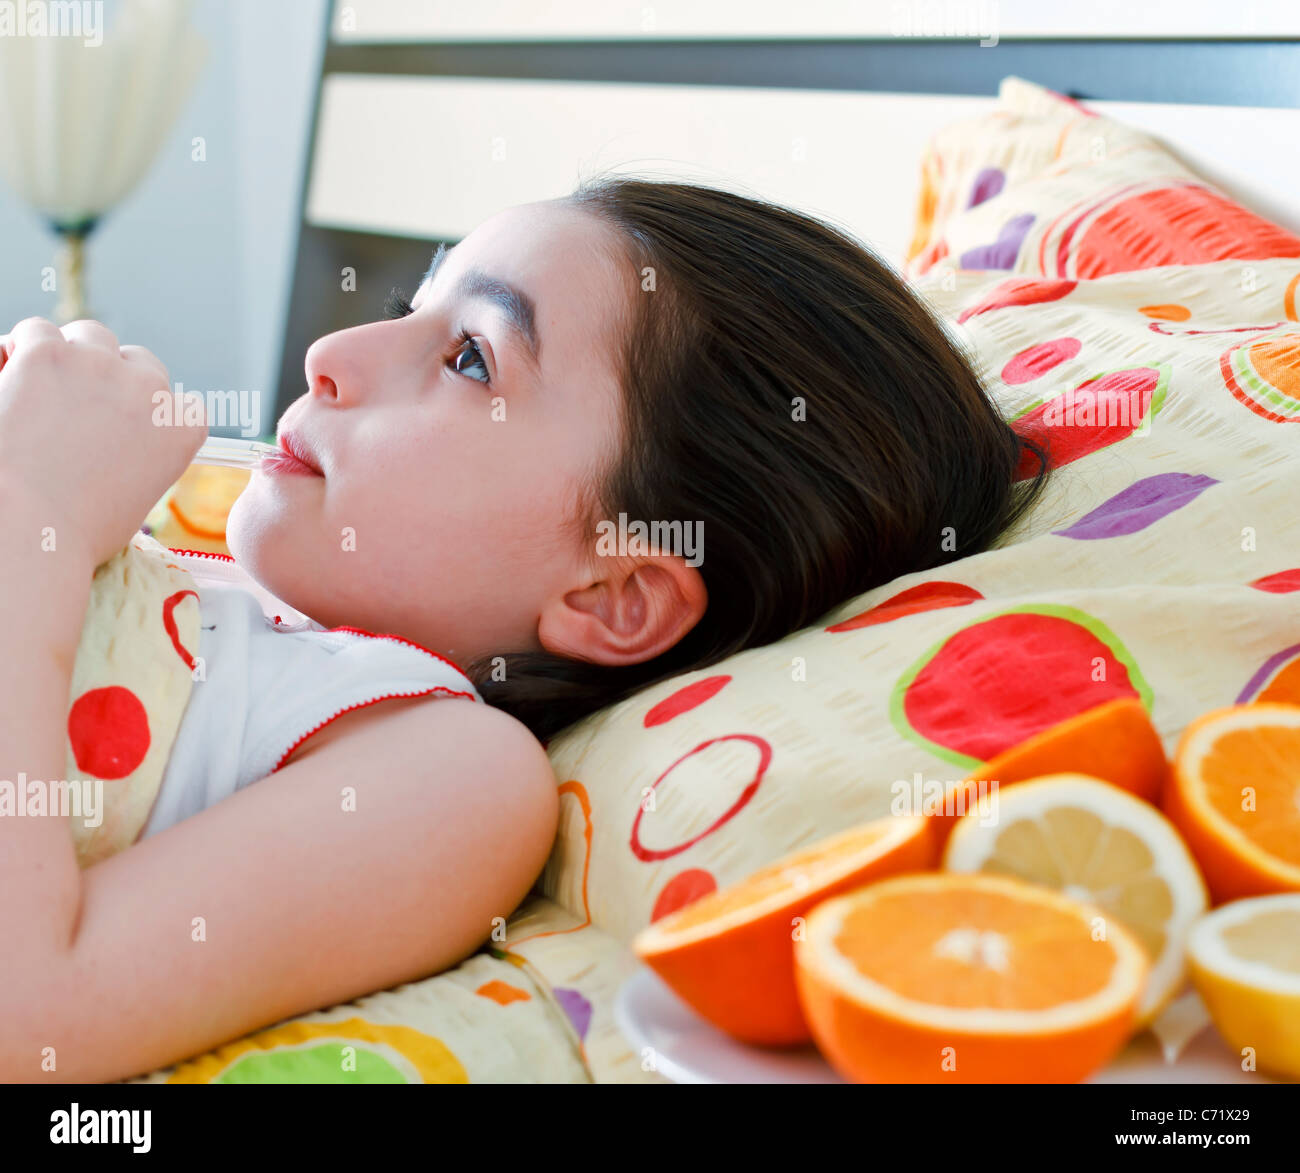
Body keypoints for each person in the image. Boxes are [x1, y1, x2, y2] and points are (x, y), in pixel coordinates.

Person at [0, 176, 1048, 1082]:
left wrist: (36, 512)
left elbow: (32, 1014)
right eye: (415, 302)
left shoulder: (452, 776)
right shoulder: (208, 593)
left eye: (468, 359)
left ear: (612, 594)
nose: (331, 353)